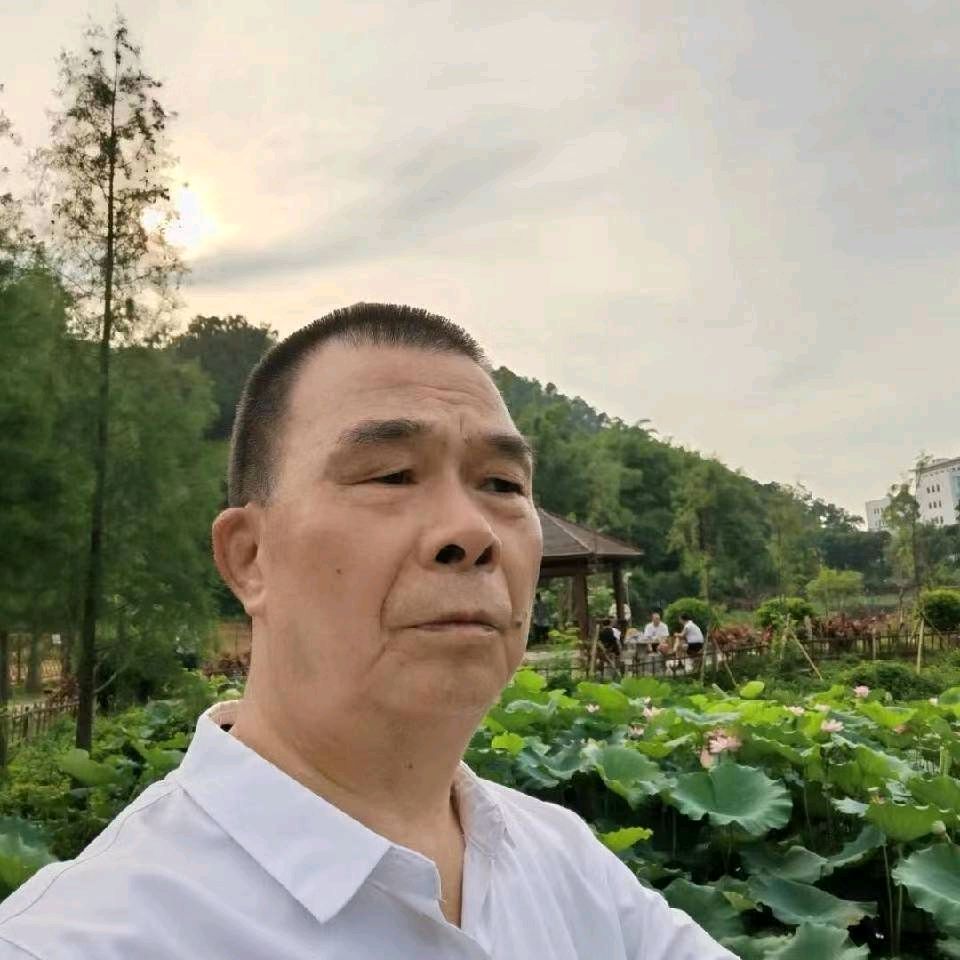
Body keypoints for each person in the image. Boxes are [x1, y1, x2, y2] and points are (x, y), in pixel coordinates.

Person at [0, 304, 735, 959]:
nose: (471, 532)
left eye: (503, 485)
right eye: (390, 475)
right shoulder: (76, 939)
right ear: (250, 558)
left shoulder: (573, 872)